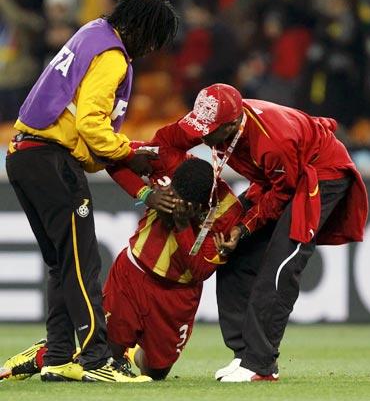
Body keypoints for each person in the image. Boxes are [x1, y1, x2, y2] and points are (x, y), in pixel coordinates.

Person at [139, 83, 368, 382]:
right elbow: (166, 142)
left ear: (234, 124)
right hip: (274, 180)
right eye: (199, 125)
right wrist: (162, 177)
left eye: (210, 129)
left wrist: (243, 227)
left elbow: (280, 194)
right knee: (231, 254)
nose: (202, 134)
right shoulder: (210, 119)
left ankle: (260, 364)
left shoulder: (273, 140)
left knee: (280, 263)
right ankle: (243, 354)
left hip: (319, 173)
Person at [5, 0, 178, 383]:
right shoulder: (112, 55)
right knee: (83, 265)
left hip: (24, 155)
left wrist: (119, 152)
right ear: (138, 27)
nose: (151, 48)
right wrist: (127, 152)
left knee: (62, 265)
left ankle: (61, 357)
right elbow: (90, 125)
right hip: (52, 159)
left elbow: (81, 130)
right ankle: (95, 358)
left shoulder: (89, 34)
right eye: (153, 36)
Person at [1, 152, 243, 381]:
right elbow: (112, 159)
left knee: (154, 371)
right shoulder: (167, 161)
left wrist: (182, 226)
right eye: (172, 194)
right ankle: (46, 355)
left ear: (200, 207)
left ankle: (125, 352)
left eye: (182, 204)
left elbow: (201, 270)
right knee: (105, 357)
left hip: (178, 295)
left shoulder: (228, 213)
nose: (174, 203)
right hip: (134, 274)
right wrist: (146, 193)